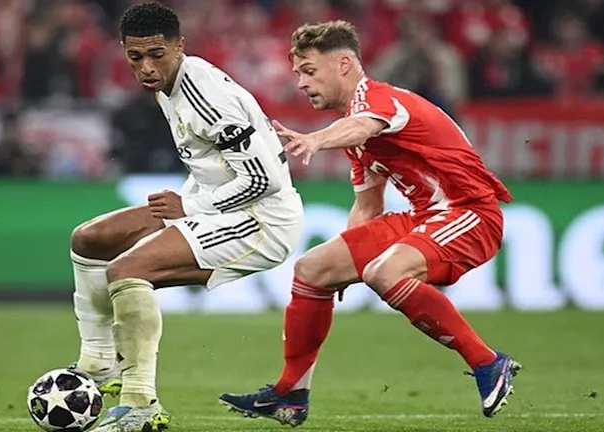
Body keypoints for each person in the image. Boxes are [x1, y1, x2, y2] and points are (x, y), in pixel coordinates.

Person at [219, 20, 521, 426]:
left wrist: (315, 139)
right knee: (313, 269)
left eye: (309, 70)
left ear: (344, 64)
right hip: (424, 216)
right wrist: (345, 265)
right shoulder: (356, 133)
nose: (301, 83)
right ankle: (290, 393)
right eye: (298, 73)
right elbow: (368, 205)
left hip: (470, 213)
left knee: (384, 272)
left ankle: (488, 362)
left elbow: (360, 125)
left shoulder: (380, 101)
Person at [68, 3, 304, 432]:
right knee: (90, 239)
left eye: (156, 54)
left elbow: (264, 180)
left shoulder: (207, 98)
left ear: (180, 46)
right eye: (135, 56)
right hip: (217, 204)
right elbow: (214, 162)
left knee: (127, 270)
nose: (146, 67)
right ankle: (99, 361)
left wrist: (190, 207)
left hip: (261, 222)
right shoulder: (168, 85)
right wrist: (193, 198)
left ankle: (140, 404)